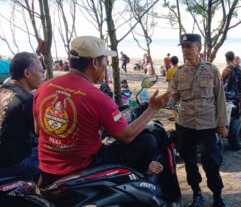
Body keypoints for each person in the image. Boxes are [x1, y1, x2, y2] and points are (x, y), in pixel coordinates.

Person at [33, 36, 171, 187]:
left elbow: (38, 129)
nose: (107, 65)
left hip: (47, 167)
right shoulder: (97, 97)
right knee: (148, 141)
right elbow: (127, 136)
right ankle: (143, 172)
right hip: (82, 166)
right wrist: (152, 109)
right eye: (105, 60)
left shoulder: (44, 87)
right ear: (95, 62)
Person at [169, 33, 229, 207]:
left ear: (199, 48)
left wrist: (222, 124)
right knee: (189, 161)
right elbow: (173, 96)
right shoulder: (179, 73)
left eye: (189, 46)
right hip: (185, 124)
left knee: (211, 162)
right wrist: (166, 101)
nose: (185, 50)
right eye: (183, 46)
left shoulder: (211, 70)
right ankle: (197, 193)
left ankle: (217, 196)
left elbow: (220, 98)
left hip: (207, 125)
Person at [0, 52, 44, 179]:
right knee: (55, 161)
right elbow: (42, 133)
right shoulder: (26, 100)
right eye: (41, 71)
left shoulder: (2, 90)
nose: (43, 75)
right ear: (27, 73)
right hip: (14, 163)